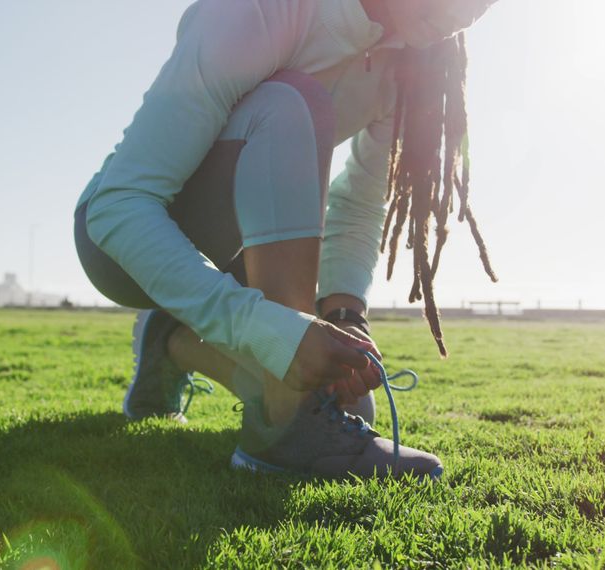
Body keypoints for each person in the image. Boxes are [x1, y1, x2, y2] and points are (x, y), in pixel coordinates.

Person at [74, 0, 498, 479]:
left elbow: (359, 204)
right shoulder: (261, 10)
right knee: (292, 100)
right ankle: (286, 423)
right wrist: (269, 329)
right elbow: (120, 205)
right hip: (119, 244)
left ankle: (171, 342)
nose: (473, 12)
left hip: (241, 251)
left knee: (354, 406)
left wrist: (345, 316)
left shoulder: (408, 63)